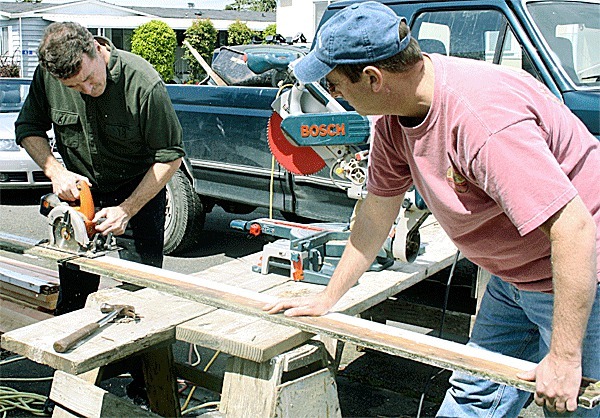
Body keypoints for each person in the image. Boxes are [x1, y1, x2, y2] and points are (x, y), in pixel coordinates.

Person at [263, 2, 599, 417]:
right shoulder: (394, 119)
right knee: (475, 393)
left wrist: (566, 358)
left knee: (573, 404)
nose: (335, 96)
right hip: (515, 279)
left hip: (582, 277)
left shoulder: (481, 119)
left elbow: (574, 228)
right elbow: (374, 215)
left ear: (373, 78)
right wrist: (328, 298)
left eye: (334, 85)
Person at [15, 21, 184, 403]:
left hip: (137, 192)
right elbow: (28, 128)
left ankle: (149, 388)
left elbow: (169, 156)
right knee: (74, 295)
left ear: (95, 49)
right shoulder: (49, 77)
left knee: (143, 294)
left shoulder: (143, 83)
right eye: (76, 88)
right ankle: (64, 391)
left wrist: (127, 209)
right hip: (80, 192)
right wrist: (55, 171)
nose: (87, 90)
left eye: (90, 80)